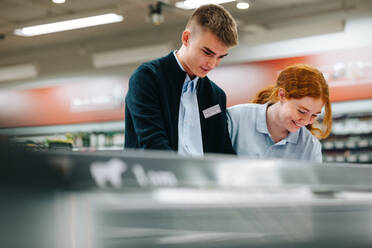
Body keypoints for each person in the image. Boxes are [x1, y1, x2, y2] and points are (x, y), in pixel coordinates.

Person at [125, 4, 238, 156]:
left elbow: (223, 151)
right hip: (155, 177)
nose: (212, 64)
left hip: (202, 178)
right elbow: (153, 145)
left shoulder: (216, 96)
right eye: (207, 52)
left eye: (220, 57)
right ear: (186, 38)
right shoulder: (148, 79)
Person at [227, 64, 333, 162]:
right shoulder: (235, 118)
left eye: (314, 115)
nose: (306, 122)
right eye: (302, 111)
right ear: (282, 95)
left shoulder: (310, 146)